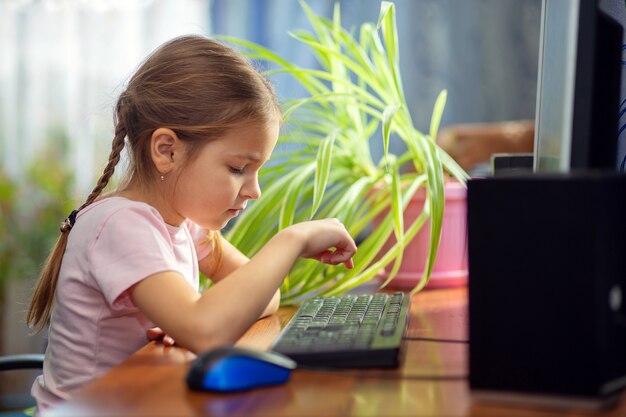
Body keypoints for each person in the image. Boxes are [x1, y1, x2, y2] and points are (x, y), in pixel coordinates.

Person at [26, 35, 357, 413]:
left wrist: (186, 318)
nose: (255, 190)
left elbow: (267, 299)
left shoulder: (186, 226)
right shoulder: (118, 225)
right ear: (167, 150)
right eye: (238, 168)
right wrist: (293, 238)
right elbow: (206, 331)